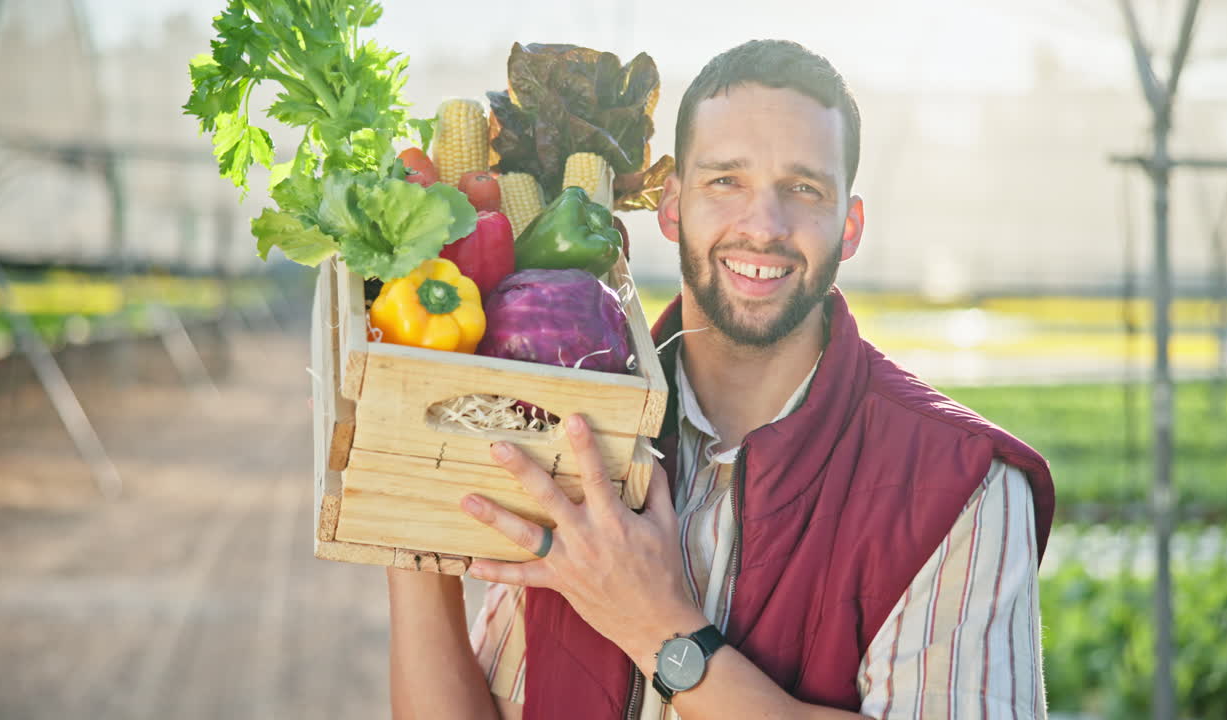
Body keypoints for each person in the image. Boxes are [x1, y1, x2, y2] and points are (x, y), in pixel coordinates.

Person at [387, 39, 1055, 719]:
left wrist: (660, 630)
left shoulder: (961, 487)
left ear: (849, 227)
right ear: (672, 206)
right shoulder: (575, 426)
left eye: (803, 189)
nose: (763, 227)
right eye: (725, 180)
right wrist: (410, 527)